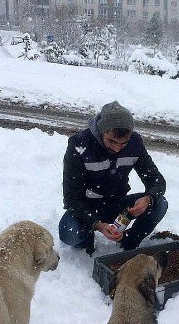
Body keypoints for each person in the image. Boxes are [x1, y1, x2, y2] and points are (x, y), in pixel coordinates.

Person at [59, 101, 168, 254]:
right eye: (111, 141)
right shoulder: (79, 145)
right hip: (86, 206)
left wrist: (148, 199)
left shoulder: (135, 143)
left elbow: (156, 179)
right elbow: (71, 197)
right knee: (69, 234)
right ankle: (87, 240)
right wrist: (96, 224)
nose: (117, 148)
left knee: (159, 203)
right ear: (101, 131)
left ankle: (127, 243)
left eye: (123, 143)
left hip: (117, 204)